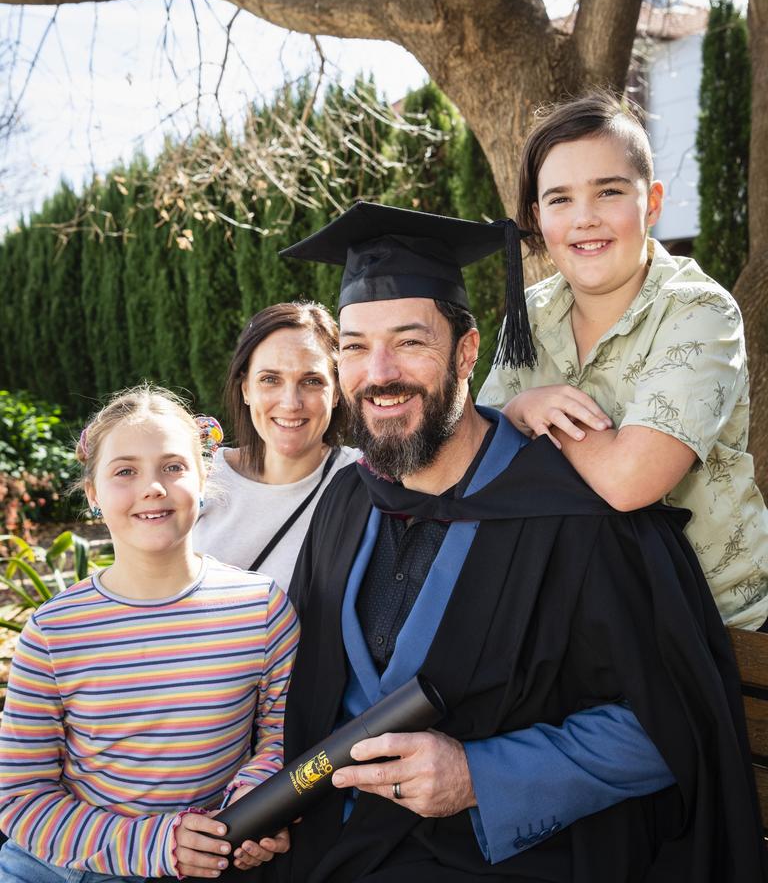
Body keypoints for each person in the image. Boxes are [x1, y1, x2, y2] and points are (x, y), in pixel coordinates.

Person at [177, 202, 764, 882]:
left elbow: (674, 725)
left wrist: (480, 774)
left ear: (466, 352)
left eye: (410, 341)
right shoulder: (347, 501)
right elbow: (307, 700)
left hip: (503, 856)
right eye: (356, 347)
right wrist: (268, 807)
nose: (380, 371)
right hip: (341, 842)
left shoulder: (573, 516)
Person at [478, 92, 768, 630]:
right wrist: (519, 405)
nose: (584, 219)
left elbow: (628, 481)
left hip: (720, 625)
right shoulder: (533, 315)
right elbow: (480, 457)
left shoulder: (699, 311)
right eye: (560, 200)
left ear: (652, 202)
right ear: (538, 219)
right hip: (590, 619)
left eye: (608, 191)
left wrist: (537, 416)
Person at [0, 386, 299, 882]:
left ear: (204, 476)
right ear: (93, 492)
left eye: (173, 467)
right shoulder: (53, 633)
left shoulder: (260, 609)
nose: (152, 487)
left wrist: (256, 808)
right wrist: (156, 844)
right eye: (125, 471)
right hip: (63, 868)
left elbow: (280, 737)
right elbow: (20, 798)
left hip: (208, 858)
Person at [193, 302, 358, 592]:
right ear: (246, 389)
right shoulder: (199, 477)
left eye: (311, 381)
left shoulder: (365, 480)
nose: (290, 403)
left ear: (337, 392)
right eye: (270, 379)